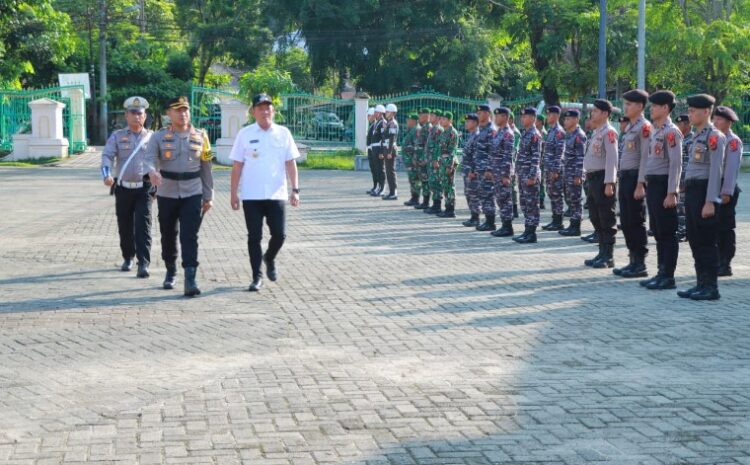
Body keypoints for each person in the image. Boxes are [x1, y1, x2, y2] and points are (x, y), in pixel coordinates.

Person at [229, 93, 300, 292]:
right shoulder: (245, 134)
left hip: (277, 194)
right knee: (254, 237)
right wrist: (233, 193)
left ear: (273, 110)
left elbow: (291, 163)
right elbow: (237, 166)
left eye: (267, 107)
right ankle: (256, 277)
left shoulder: (283, 133)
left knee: (280, 235)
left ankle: (269, 257)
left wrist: (295, 189)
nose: (264, 111)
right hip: (251, 195)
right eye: (260, 107)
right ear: (253, 112)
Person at [145, 96, 214, 296]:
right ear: (169, 113)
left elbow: (207, 168)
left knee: (189, 236)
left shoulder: (201, 136)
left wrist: (208, 196)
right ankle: (170, 270)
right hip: (167, 192)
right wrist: (152, 171)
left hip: (193, 191)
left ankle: (190, 279)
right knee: (168, 234)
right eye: (178, 110)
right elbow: (148, 159)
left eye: (185, 110)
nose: (183, 113)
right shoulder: (158, 137)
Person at [677, 94, 725, 301]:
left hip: (705, 191)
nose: (690, 114)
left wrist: (710, 200)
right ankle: (700, 283)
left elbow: (716, 170)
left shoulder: (714, 136)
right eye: (689, 110)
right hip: (693, 192)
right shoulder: (696, 136)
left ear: (707, 112)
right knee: (695, 239)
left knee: (706, 241)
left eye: (694, 110)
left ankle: (711, 286)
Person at [101, 96, 154, 277]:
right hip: (123, 188)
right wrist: (106, 175)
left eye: (139, 114)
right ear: (126, 115)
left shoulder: (152, 138)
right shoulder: (117, 136)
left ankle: (143, 263)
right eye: (133, 113)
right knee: (124, 225)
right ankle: (128, 256)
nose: (136, 117)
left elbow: (160, 161)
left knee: (143, 226)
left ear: (144, 116)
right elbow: (107, 156)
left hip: (144, 188)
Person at [639, 90, 683, 290]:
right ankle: (660, 272)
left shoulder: (671, 132)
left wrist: (672, 192)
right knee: (657, 231)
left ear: (665, 108)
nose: (652, 109)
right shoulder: (656, 130)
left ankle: (668, 276)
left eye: (655, 106)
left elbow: (676, 164)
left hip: (665, 184)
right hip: (654, 184)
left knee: (667, 232)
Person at [614, 89, 651, 278]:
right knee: (626, 221)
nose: (625, 107)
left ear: (639, 106)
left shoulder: (644, 127)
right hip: (626, 177)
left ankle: (640, 263)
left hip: (636, 177)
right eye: (625, 103)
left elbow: (645, 157)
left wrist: (641, 183)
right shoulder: (630, 127)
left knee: (636, 221)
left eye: (629, 104)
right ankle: (632, 260)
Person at [583, 99, 619, 268]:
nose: (592, 114)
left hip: (603, 179)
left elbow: (612, 158)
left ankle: (608, 256)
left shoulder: (609, 132)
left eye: (596, 111)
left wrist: (610, 182)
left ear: (605, 114)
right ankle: (601, 252)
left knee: (606, 217)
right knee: (595, 216)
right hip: (592, 179)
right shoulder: (596, 132)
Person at [712, 105, 743, 277]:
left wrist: (727, 192)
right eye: (714, 118)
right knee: (713, 227)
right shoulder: (714, 138)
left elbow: (731, 169)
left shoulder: (733, 141)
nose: (715, 122)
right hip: (712, 186)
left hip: (725, 187)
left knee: (725, 227)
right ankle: (717, 260)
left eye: (720, 119)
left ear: (729, 123)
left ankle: (725, 263)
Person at [512, 108, 543, 243]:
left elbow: (536, 157)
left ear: (532, 118)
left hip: (530, 176)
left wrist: (532, 176)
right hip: (523, 174)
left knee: (531, 204)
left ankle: (532, 234)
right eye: (522, 116)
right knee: (525, 204)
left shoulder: (534, 134)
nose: (522, 119)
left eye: (525, 117)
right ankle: (527, 231)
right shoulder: (526, 133)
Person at [489, 107, 516, 237]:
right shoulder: (499, 132)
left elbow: (507, 155)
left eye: (498, 116)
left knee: (505, 199)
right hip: (497, 171)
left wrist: (505, 175)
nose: (495, 118)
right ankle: (504, 225)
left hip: (503, 172)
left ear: (505, 117)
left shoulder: (507, 134)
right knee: (500, 199)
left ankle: (508, 227)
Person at [559, 109, 586, 236]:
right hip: (568, 172)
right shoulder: (569, 134)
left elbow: (581, 157)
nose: (565, 121)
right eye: (565, 119)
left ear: (576, 120)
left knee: (576, 199)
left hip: (574, 173)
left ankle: (576, 226)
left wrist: (578, 175)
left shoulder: (579, 135)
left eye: (568, 119)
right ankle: (572, 224)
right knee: (571, 199)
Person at [471, 105, 497, 230]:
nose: (478, 114)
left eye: (481, 112)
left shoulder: (491, 130)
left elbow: (493, 151)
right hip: (480, 169)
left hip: (487, 170)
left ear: (487, 114)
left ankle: (491, 222)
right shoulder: (482, 129)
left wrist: (489, 169)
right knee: (483, 195)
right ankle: (487, 220)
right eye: (478, 112)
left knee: (488, 195)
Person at [541, 105, 566, 231]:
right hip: (548, 169)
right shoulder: (551, 130)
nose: (547, 117)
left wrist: (555, 170)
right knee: (551, 194)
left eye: (549, 114)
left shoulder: (559, 132)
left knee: (556, 194)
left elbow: (560, 152)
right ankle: (554, 219)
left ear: (556, 116)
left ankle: (558, 221)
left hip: (554, 170)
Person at [436, 111, 459, 218]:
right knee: (445, 185)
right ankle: (447, 208)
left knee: (450, 186)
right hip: (443, 163)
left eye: (444, 119)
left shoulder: (452, 132)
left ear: (450, 121)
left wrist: (449, 166)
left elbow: (452, 151)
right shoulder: (444, 132)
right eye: (441, 119)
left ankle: (451, 210)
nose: (441, 120)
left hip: (449, 163)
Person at [675, 114, 694, 241]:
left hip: (686, 179)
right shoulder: (681, 139)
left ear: (688, 124)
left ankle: (684, 232)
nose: (678, 126)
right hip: (679, 178)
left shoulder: (691, 140)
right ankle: (681, 230)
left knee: (683, 206)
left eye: (680, 124)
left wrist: (684, 181)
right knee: (679, 206)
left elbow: (690, 162)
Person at [460, 113, 480, 225]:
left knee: (473, 194)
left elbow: (477, 156)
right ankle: (473, 216)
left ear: (475, 123)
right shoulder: (471, 135)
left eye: (469, 121)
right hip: (467, 171)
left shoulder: (477, 136)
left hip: (472, 172)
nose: (466, 123)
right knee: (468, 193)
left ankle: (476, 218)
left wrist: (473, 171)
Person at [425, 109, 445, 214]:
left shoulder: (438, 129)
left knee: (436, 182)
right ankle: (434, 204)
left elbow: (438, 146)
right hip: (430, 161)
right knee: (432, 182)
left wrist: (436, 159)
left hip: (434, 161)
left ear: (438, 118)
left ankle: (437, 205)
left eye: (432, 116)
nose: (430, 117)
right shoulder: (433, 128)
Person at [414, 108, 432, 209]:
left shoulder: (428, 127)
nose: (419, 117)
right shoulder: (423, 127)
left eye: (421, 115)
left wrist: (425, 159)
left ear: (426, 116)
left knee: (426, 180)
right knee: (423, 179)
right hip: (421, 158)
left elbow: (428, 145)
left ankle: (426, 202)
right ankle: (424, 201)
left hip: (425, 159)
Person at [402, 113, 421, 206]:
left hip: (413, 161)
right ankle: (413, 197)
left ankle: (416, 198)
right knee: (412, 179)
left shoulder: (416, 130)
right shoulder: (411, 130)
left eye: (409, 120)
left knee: (415, 179)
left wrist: (414, 159)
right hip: (409, 160)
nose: (407, 122)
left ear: (414, 121)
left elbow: (417, 146)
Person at [381, 103, 399, 200]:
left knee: (391, 171)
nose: (386, 113)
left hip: (390, 149)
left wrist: (389, 152)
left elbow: (392, 138)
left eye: (388, 111)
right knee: (388, 171)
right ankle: (391, 191)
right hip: (387, 149)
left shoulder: (393, 123)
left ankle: (394, 192)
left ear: (392, 113)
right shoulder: (388, 122)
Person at [370, 105, 387, 196]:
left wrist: (381, 151)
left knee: (381, 169)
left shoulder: (383, 123)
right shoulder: (377, 122)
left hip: (379, 149)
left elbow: (383, 137)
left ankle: (383, 188)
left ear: (380, 113)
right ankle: (379, 187)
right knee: (377, 169)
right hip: (374, 149)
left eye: (376, 112)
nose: (375, 113)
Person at [365, 107, 378, 195]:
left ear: (373, 115)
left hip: (374, 150)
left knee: (376, 169)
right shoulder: (372, 125)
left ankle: (377, 187)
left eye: (369, 115)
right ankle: (375, 186)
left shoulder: (375, 125)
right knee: (373, 170)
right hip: (370, 150)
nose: (368, 117)